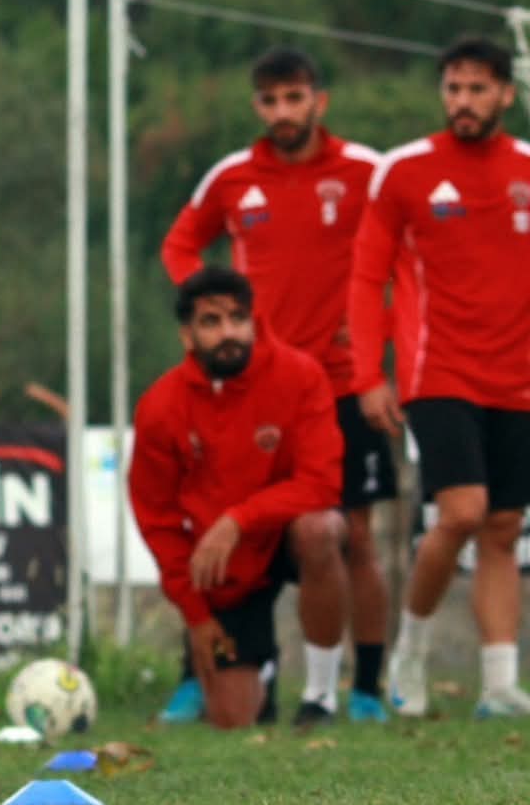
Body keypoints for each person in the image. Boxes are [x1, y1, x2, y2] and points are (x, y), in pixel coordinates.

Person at [161, 46, 396, 724]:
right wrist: (213, 320)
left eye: (295, 98)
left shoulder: (369, 173)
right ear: (257, 107)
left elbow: (409, 259)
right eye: (270, 101)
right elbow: (181, 247)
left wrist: (377, 334)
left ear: (319, 101)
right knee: (215, 522)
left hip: (346, 383)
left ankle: (364, 689)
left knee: (352, 533)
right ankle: (194, 675)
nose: (283, 112)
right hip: (254, 387)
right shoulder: (233, 177)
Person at [350, 35, 530, 719]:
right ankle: (410, 657)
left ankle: (499, 683)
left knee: (505, 525)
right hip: (438, 373)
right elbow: (368, 277)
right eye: (454, 88)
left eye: (478, 89)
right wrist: (370, 374)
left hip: (518, 377)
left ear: (506, 95)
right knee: (462, 513)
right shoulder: (405, 171)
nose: (464, 101)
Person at [129, 267, 348, 729]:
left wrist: (237, 520)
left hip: (282, 536)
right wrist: (196, 616)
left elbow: (323, 483)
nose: (229, 332)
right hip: (227, 570)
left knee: (322, 529)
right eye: (211, 322)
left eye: (238, 317)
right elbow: (157, 520)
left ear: (253, 320)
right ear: (187, 335)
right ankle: (255, 671)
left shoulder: (300, 375)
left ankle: (320, 696)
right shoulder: (161, 407)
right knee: (232, 719)